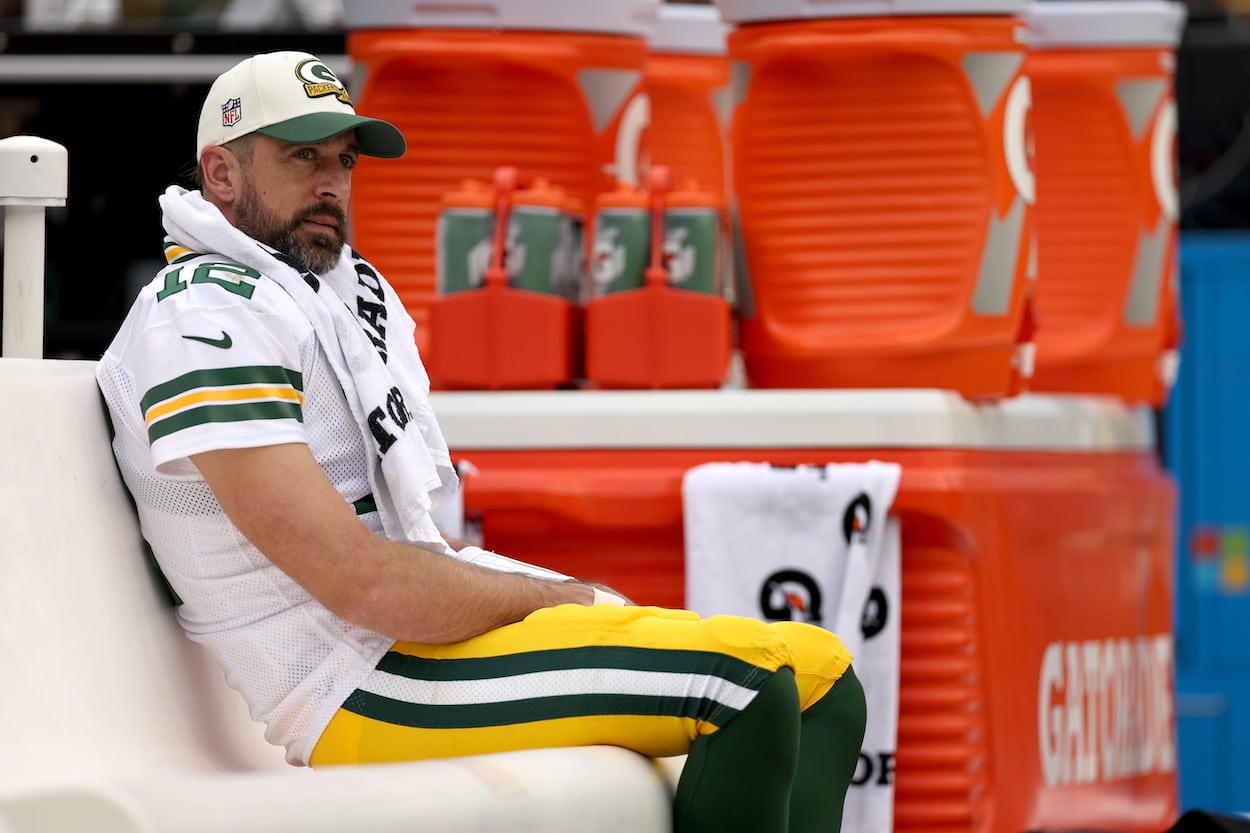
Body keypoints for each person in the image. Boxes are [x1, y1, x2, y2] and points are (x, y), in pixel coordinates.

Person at [95, 50, 867, 833]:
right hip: (348, 684)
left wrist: (562, 595)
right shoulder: (200, 315)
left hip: (407, 643)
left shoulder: (329, 290)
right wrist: (551, 594)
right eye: (302, 156)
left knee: (826, 680)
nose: (332, 181)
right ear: (220, 174)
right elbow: (357, 582)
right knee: (744, 688)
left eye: (343, 158)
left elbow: (418, 540)